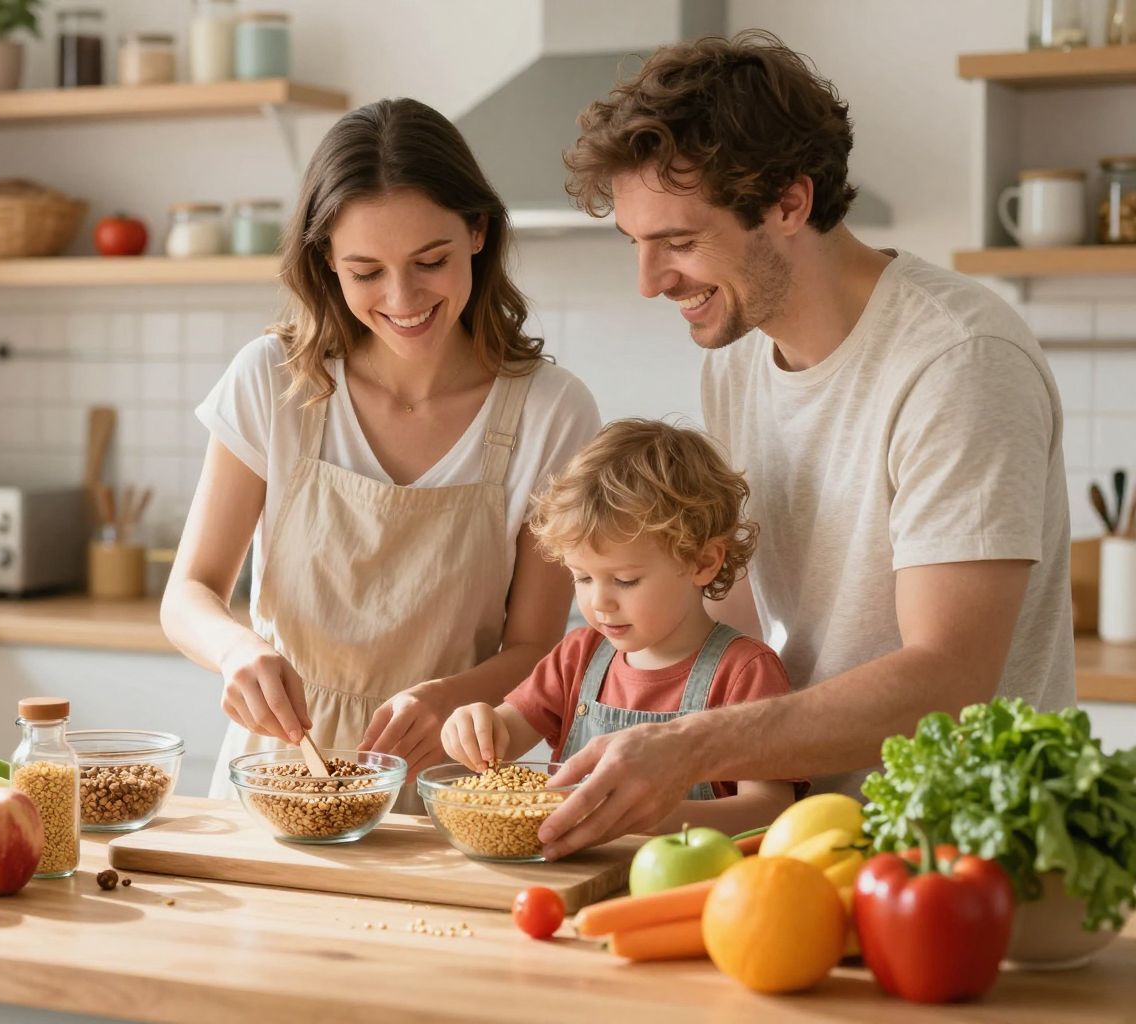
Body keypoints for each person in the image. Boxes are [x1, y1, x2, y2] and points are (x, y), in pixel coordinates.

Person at [537, 30, 1075, 859]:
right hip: (803, 840)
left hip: (959, 853)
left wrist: (690, 747)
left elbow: (948, 680)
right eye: (635, 244)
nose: (650, 281)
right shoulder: (740, 357)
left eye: (679, 242)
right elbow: (722, 616)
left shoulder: (959, 360)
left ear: (789, 202)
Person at [160, 98, 602, 804]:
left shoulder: (552, 412)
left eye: (431, 261)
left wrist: (447, 697)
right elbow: (189, 594)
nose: (403, 298)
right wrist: (236, 651)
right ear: (326, 261)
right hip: (278, 781)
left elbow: (536, 646)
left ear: (479, 231)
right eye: (366, 272)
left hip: (450, 785)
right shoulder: (271, 381)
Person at [441, 419, 797, 837]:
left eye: (625, 580)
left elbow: (770, 810)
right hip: (574, 882)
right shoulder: (578, 657)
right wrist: (471, 725)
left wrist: (645, 817)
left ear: (703, 562)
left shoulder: (745, 673)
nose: (599, 603)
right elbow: (502, 735)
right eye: (583, 578)